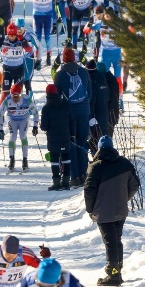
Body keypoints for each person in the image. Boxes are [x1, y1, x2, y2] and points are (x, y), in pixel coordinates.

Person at [83, 136, 139, 286]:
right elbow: (135, 185)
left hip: (103, 211)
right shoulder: (125, 164)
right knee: (116, 239)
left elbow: (89, 190)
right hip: (120, 210)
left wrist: (90, 209)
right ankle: (117, 271)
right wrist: (123, 198)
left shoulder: (96, 167)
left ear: (99, 149)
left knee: (110, 242)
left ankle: (113, 275)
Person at [53, 47, 92, 187]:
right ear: (74, 58)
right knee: (83, 143)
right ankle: (84, 174)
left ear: (63, 59)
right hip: (84, 111)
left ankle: (75, 177)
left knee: (72, 144)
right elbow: (90, 92)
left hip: (70, 114)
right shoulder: (84, 72)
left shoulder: (60, 75)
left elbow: (57, 97)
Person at [40, 83, 75, 191]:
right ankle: (66, 182)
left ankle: (56, 182)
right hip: (65, 137)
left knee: (54, 160)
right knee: (66, 159)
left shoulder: (46, 108)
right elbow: (71, 121)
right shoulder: (65, 104)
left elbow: (44, 127)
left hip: (53, 138)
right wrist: (72, 135)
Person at [0, 83, 39, 173]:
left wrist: (35, 126)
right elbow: (0, 114)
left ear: (21, 94)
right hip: (12, 119)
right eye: (14, 96)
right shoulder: (7, 100)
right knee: (12, 136)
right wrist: (0, 129)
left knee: (23, 135)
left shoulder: (26, 99)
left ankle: (25, 159)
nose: (15, 98)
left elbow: (35, 112)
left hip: (24, 119)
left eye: (18, 96)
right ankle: (12, 159)